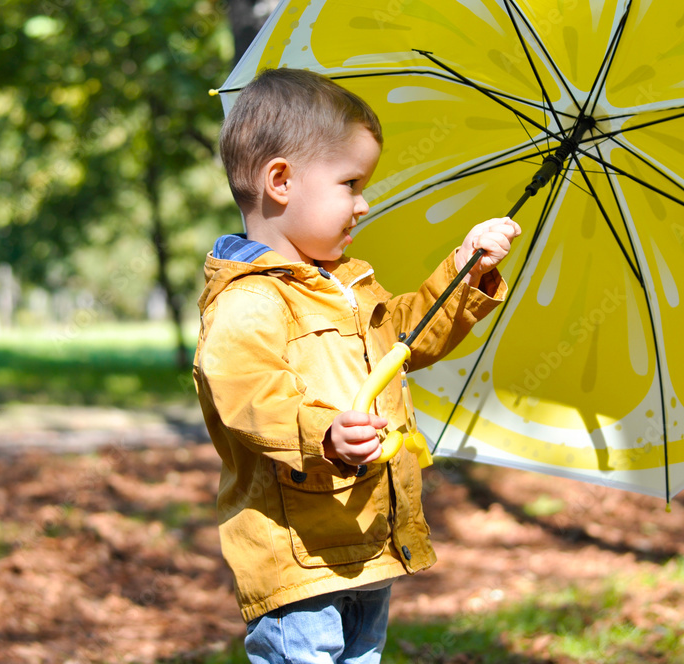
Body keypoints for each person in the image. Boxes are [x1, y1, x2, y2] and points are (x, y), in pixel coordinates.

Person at [193, 67, 521, 663]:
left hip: (367, 539)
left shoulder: (347, 284)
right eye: (350, 183)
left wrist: (465, 274)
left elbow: (408, 335)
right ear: (281, 181)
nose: (364, 204)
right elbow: (245, 395)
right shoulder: (249, 301)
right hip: (301, 557)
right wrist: (324, 432)